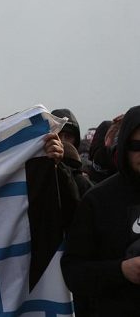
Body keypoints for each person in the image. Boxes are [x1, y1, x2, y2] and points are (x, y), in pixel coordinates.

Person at [61, 105, 140, 315]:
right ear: (123, 146)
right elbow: (73, 271)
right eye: (136, 145)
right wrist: (121, 270)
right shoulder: (98, 200)